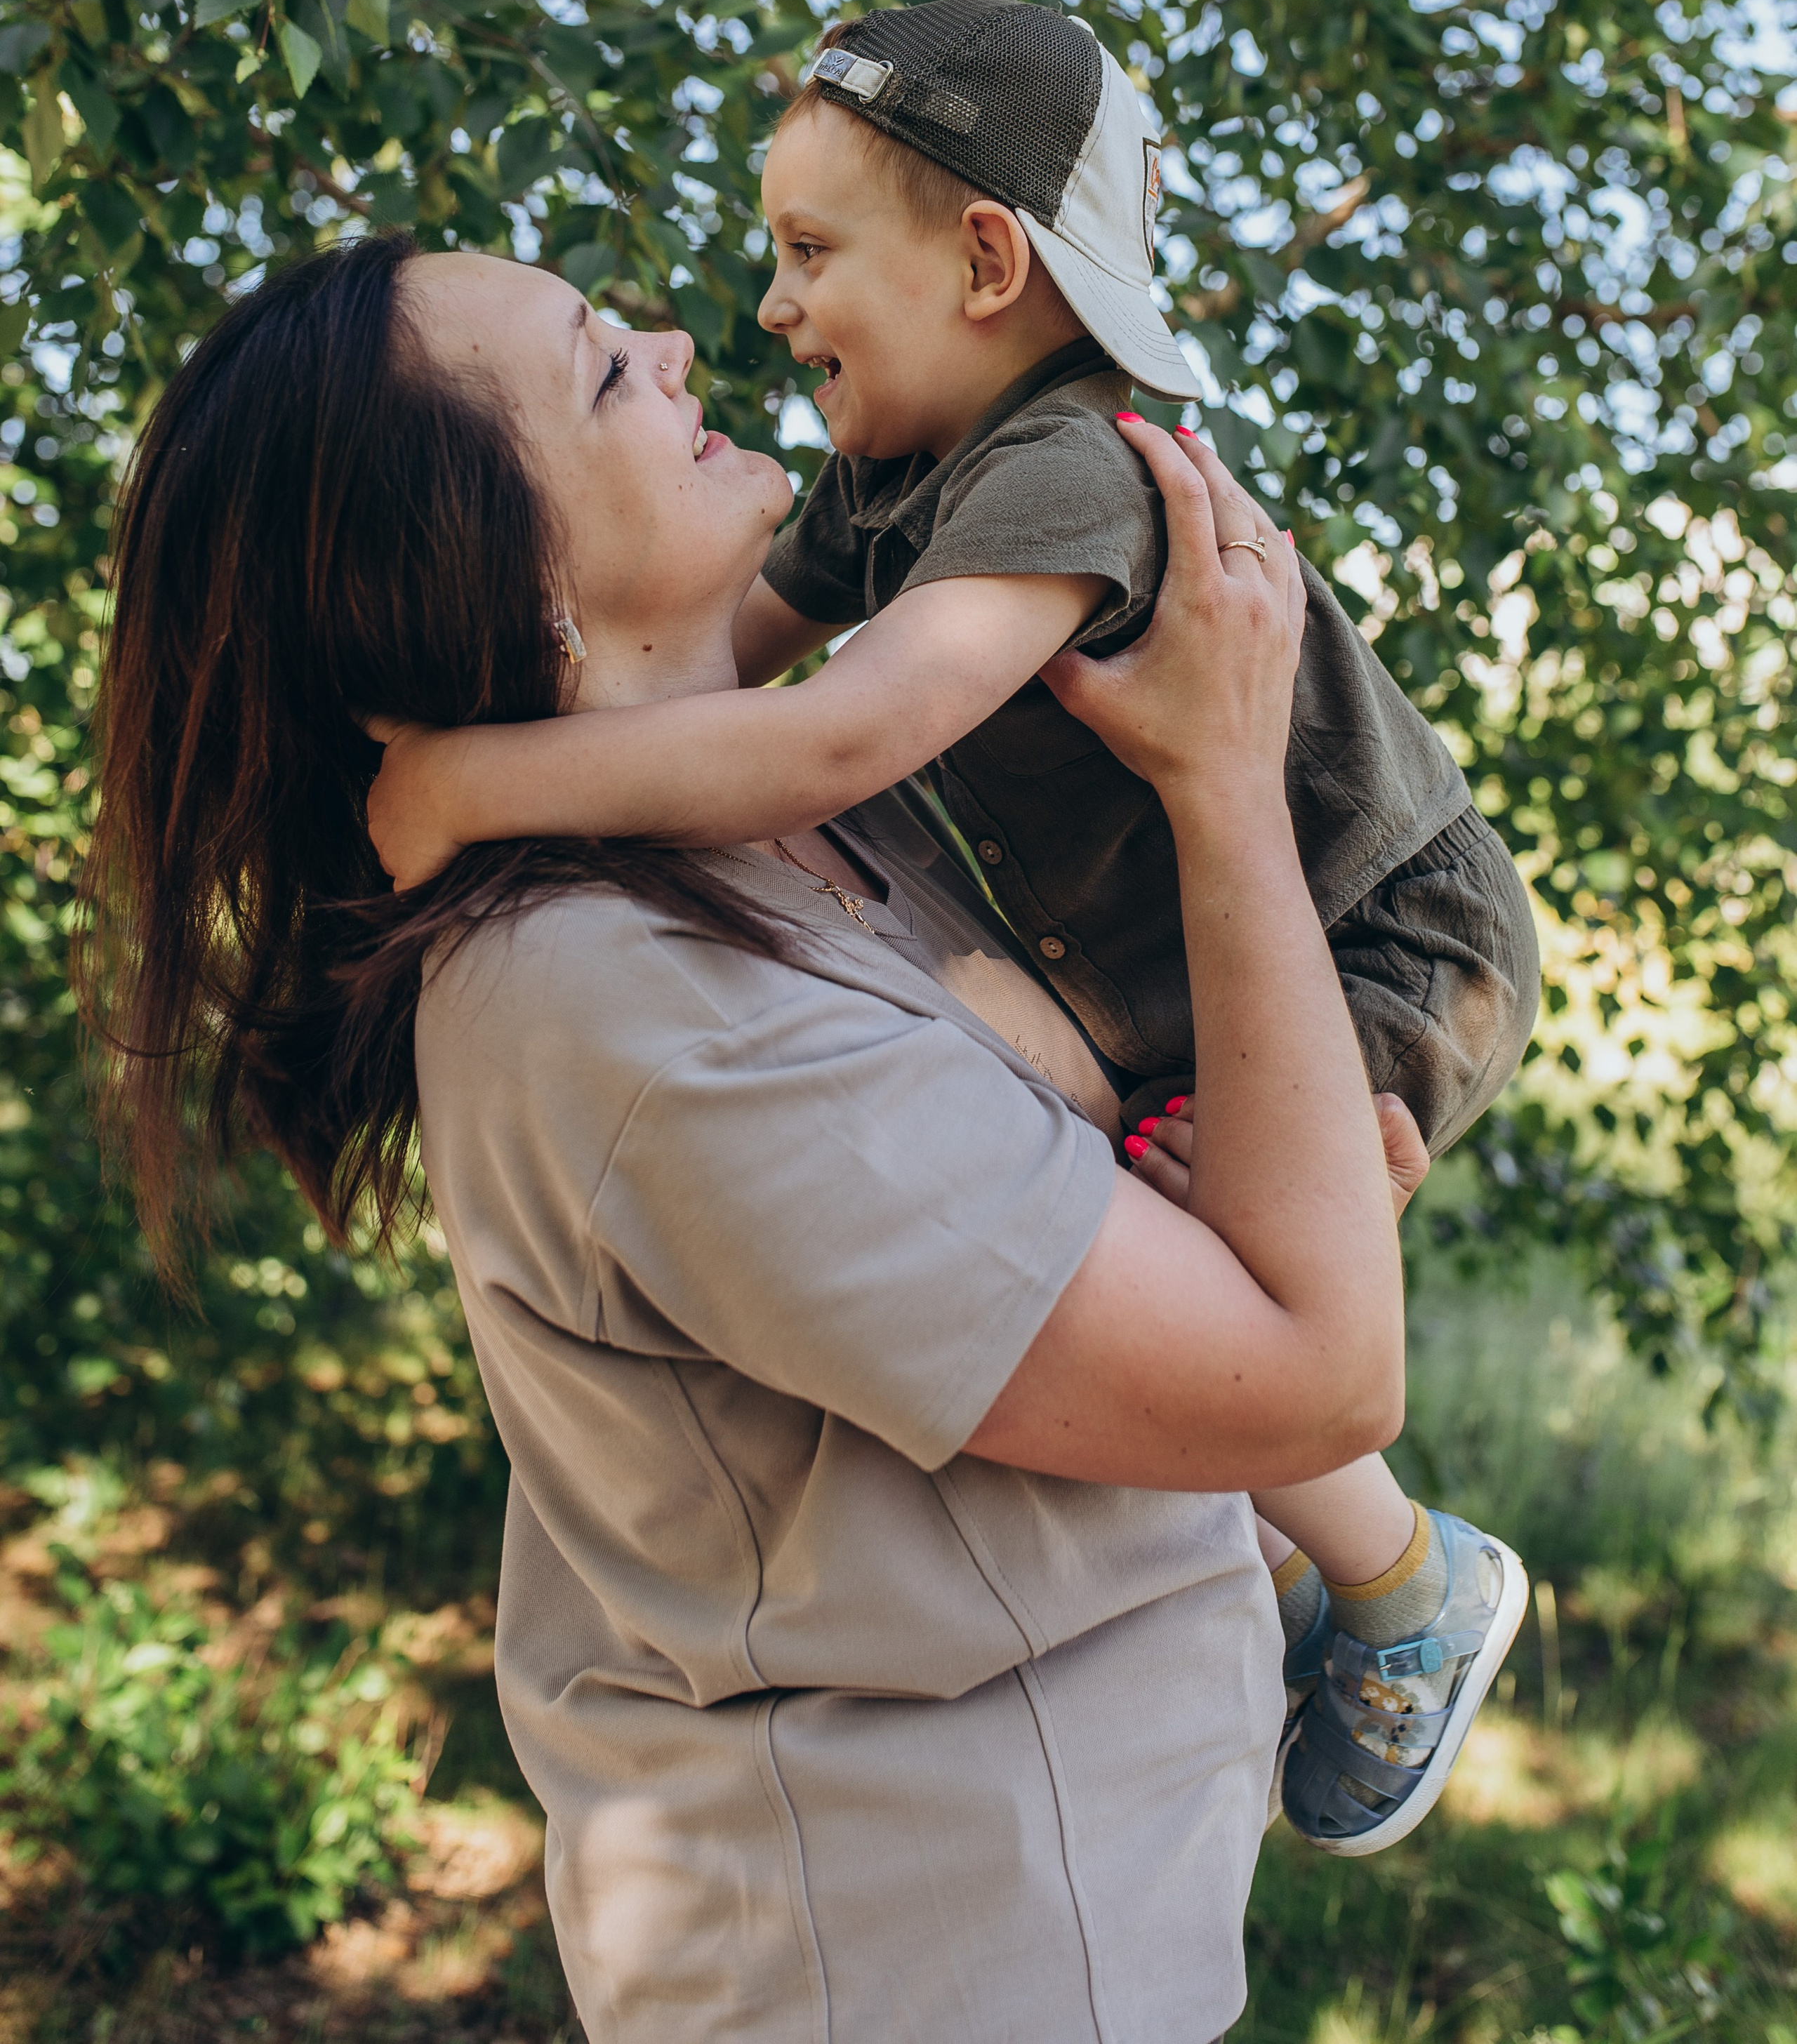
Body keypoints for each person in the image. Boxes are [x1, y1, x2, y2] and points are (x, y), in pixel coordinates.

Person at [90, 227, 1414, 2040]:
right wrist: (1226, 786)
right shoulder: (623, 1008)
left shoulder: (783, 841)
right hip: (934, 1979)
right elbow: (1315, 1375)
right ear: (499, 577)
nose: (675, 345)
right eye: (600, 373)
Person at [367, 0, 1535, 1848]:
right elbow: (700, 699)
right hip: (1165, 970)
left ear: (986, 262)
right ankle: (1316, 1562)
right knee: (1151, 1219)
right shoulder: (881, 480)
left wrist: (469, 787)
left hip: (1386, 929)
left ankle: (1412, 1589)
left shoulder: (1068, 473)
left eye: (811, 255)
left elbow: (834, 733)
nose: (769, 311)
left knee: (1235, 1255)